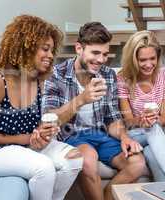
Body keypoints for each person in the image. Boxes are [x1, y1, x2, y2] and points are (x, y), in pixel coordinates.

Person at [0, 15, 83, 200]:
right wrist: (29, 139)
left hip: (24, 145)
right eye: (45, 49)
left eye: (51, 50)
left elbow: (37, 123)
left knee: (75, 158)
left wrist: (43, 132)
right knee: (44, 168)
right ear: (25, 47)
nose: (50, 55)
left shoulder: (39, 81)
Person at [42, 22, 146, 200]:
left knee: (137, 162)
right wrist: (82, 99)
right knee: (88, 159)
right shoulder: (56, 75)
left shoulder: (107, 75)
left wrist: (124, 137)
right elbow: (50, 119)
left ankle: (108, 195)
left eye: (105, 54)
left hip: (100, 134)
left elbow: (113, 118)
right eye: (95, 53)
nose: (101, 60)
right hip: (71, 135)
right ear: (79, 48)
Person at [117, 30, 165, 182]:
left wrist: (154, 120)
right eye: (142, 60)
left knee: (152, 152)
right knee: (152, 129)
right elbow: (128, 121)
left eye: (153, 58)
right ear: (133, 59)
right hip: (135, 134)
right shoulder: (123, 79)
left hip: (161, 133)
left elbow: (164, 118)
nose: (148, 64)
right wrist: (141, 120)